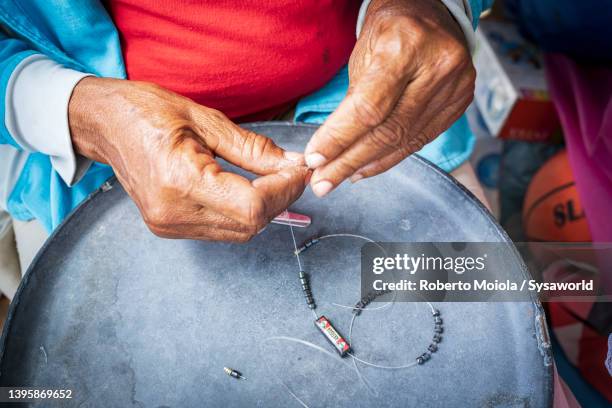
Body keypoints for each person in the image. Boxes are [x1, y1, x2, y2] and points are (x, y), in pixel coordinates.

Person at [0, 0, 490, 295]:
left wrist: (431, 7)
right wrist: (80, 112)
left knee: (481, 305)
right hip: (92, 141)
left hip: (371, 96)